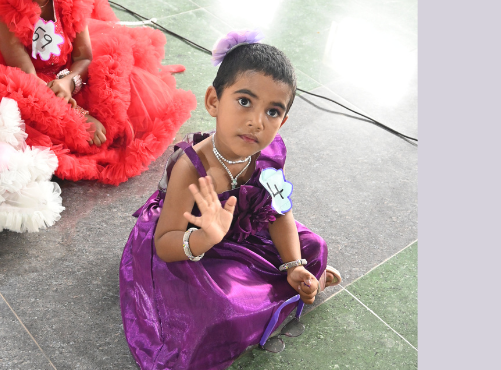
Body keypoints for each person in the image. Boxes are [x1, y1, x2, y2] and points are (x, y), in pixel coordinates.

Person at [119, 31, 341, 370]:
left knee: (314, 248)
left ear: (282, 121)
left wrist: (294, 265)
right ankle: (279, 301)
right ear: (213, 101)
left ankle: (292, 285)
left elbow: (280, 211)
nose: (256, 121)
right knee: (222, 309)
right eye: (245, 102)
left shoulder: (270, 155)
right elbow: (165, 244)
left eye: (273, 111)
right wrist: (206, 236)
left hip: (246, 231)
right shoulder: (191, 168)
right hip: (190, 245)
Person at [0, 0, 196, 185]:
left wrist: (70, 82)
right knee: (53, 135)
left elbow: (84, 56)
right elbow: (29, 81)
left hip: (72, 76)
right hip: (35, 89)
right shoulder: (6, 10)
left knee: (122, 92)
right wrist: (80, 115)